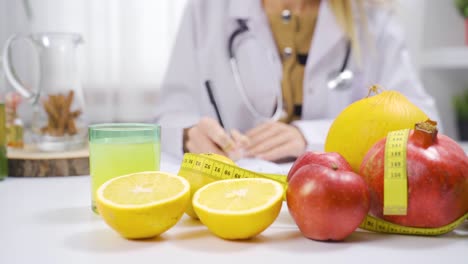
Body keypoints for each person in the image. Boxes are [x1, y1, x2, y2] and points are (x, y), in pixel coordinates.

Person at [154, 0, 441, 162]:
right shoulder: (208, 9)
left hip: (339, 201)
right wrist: (187, 133)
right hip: (235, 196)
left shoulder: (371, 14)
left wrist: (311, 137)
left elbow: (424, 123)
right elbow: (170, 113)